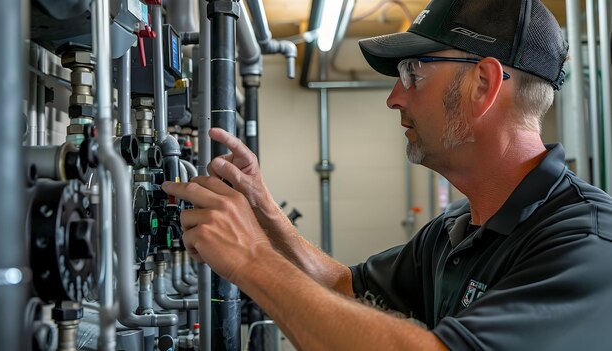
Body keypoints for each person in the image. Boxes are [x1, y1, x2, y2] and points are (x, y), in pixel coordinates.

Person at [163, 0, 612, 349]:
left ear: (483, 85)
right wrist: (264, 214)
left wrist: (251, 260)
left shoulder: (586, 242)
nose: (395, 98)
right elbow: (346, 290)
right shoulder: (455, 231)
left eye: (413, 73)